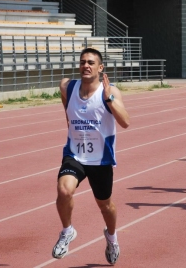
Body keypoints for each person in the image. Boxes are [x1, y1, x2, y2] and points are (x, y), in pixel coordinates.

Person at [52, 48, 130, 264]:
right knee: (63, 190)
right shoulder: (68, 86)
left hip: (100, 158)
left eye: (91, 63)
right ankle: (67, 231)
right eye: (83, 62)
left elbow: (125, 122)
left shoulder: (111, 90)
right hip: (75, 154)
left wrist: (110, 98)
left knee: (105, 205)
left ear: (100, 67)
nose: (86, 65)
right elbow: (67, 110)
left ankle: (112, 237)